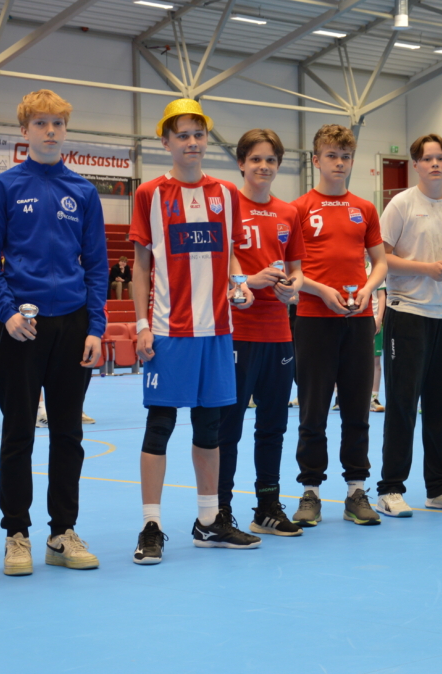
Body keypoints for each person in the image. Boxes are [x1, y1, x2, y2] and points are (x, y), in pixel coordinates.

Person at [0, 89, 108, 576]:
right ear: (24, 130)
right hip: (21, 327)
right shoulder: (4, 187)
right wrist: (7, 312)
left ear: (65, 130)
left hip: (73, 325)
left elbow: (97, 266)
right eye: (41, 123)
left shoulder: (83, 191)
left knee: (68, 434)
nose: (50, 131)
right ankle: (16, 533)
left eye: (57, 123)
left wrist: (96, 327)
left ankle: (61, 533)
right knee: (18, 433)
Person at [129, 99, 260, 565]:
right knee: (159, 427)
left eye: (198, 134)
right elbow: (141, 265)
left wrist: (240, 287)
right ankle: (151, 526)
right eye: (182, 135)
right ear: (166, 142)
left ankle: (208, 522)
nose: (192, 142)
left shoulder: (226, 193)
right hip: (168, 331)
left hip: (218, 331)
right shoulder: (149, 194)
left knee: (210, 429)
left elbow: (232, 254)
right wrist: (142, 325)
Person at [375, 132, 442, 518]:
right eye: (428, 158)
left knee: (441, 406)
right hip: (407, 314)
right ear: (416, 165)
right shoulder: (401, 204)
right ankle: (390, 488)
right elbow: (381, 258)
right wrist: (425, 269)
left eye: (441, 158)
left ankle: (439, 488)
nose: (435, 164)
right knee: (403, 404)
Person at [290, 124, 387, 526]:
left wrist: (367, 289)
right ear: (316, 160)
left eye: (346, 156)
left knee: (357, 409)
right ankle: (310, 491)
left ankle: (356, 491)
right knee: (313, 410)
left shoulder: (364, 208)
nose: (339, 162)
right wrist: (322, 291)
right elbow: (290, 271)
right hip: (313, 319)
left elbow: (380, 262)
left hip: (357, 319)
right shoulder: (298, 209)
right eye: (331, 155)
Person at [216, 128, 306, 538]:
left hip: (279, 333)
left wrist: (292, 287)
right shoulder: (226, 206)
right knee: (228, 427)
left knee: (273, 425)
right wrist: (247, 282)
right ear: (241, 163)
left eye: (271, 159)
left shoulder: (288, 212)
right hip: (237, 333)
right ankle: (219, 511)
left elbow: (297, 268)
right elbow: (216, 263)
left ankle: (267, 506)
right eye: (255, 159)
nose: (263, 166)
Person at [369, 258, 386, 412]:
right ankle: (341, 397)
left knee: (375, 360)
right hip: (355, 320)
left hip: (374, 320)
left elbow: (381, 296)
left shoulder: (376, 269)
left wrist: (379, 318)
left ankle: (373, 398)